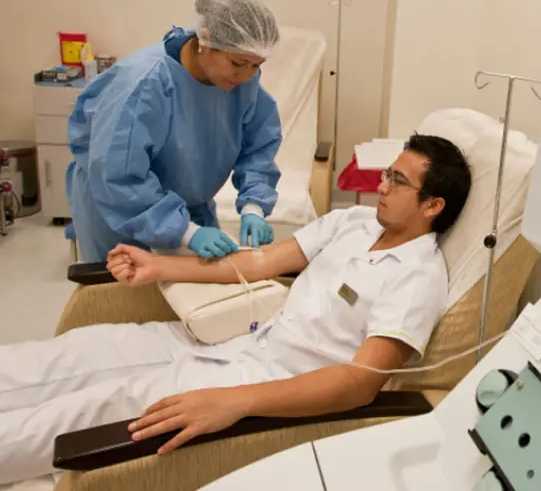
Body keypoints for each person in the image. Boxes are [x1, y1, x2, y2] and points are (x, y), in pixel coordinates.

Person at [0, 134, 472, 484]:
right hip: (239, 341)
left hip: (266, 383)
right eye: (387, 174)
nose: (382, 186)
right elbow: (261, 262)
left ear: (433, 205)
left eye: (397, 181)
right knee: (85, 349)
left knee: (97, 403)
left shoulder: (417, 278)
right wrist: (159, 266)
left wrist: (234, 401)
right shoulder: (354, 222)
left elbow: (359, 384)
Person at [67, 0, 284, 263]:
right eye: (238, 63)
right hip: (119, 205)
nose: (247, 75)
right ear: (205, 41)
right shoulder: (143, 84)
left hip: (185, 205)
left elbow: (259, 146)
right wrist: (184, 231)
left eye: (257, 65)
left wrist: (254, 206)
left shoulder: (240, 83)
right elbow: (117, 174)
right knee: (123, 285)